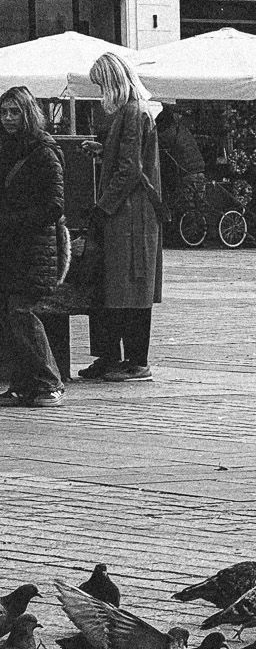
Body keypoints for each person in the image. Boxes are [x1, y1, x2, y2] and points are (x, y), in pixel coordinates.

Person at [81, 52, 162, 383]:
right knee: (121, 284)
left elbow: (130, 169)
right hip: (131, 211)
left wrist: (103, 207)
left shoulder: (131, 112)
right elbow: (132, 159)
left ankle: (133, 360)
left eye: (101, 85)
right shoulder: (135, 110)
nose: (100, 93)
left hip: (131, 213)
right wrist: (103, 150)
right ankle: (117, 356)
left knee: (127, 284)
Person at [0, 84, 65, 406]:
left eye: (14, 112)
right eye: (4, 112)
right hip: (10, 248)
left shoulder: (42, 151)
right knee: (9, 315)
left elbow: (54, 205)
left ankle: (49, 382)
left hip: (32, 250)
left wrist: (13, 220)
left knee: (21, 311)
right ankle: (23, 384)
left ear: (28, 113)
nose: (8, 118)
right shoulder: (6, 147)